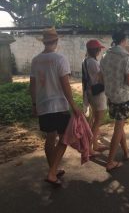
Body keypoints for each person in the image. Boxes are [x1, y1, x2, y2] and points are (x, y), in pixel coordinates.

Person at [29, 27, 82, 187]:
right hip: (58, 105)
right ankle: (52, 172)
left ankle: (53, 169)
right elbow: (65, 85)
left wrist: (34, 104)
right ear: (56, 41)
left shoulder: (35, 60)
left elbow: (32, 85)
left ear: (44, 42)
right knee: (65, 139)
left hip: (43, 105)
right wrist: (73, 105)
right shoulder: (60, 59)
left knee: (50, 138)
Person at [100, 31, 129, 172]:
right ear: (124, 40)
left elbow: (101, 77)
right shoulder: (126, 57)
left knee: (119, 126)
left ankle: (126, 152)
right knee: (118, 128)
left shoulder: (105, 56)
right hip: (123, 97)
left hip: (111, 97)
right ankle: (110, 162)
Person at [82, 39, 107, 155]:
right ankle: (89, 148)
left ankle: (94, 145)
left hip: (91, 93)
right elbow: (101, 77)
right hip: (97, 93)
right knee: (97, 120)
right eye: (98, 49)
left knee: (93, 119)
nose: (99, 51)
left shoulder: (85, 61)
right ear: (95, 50)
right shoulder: (93, 62)